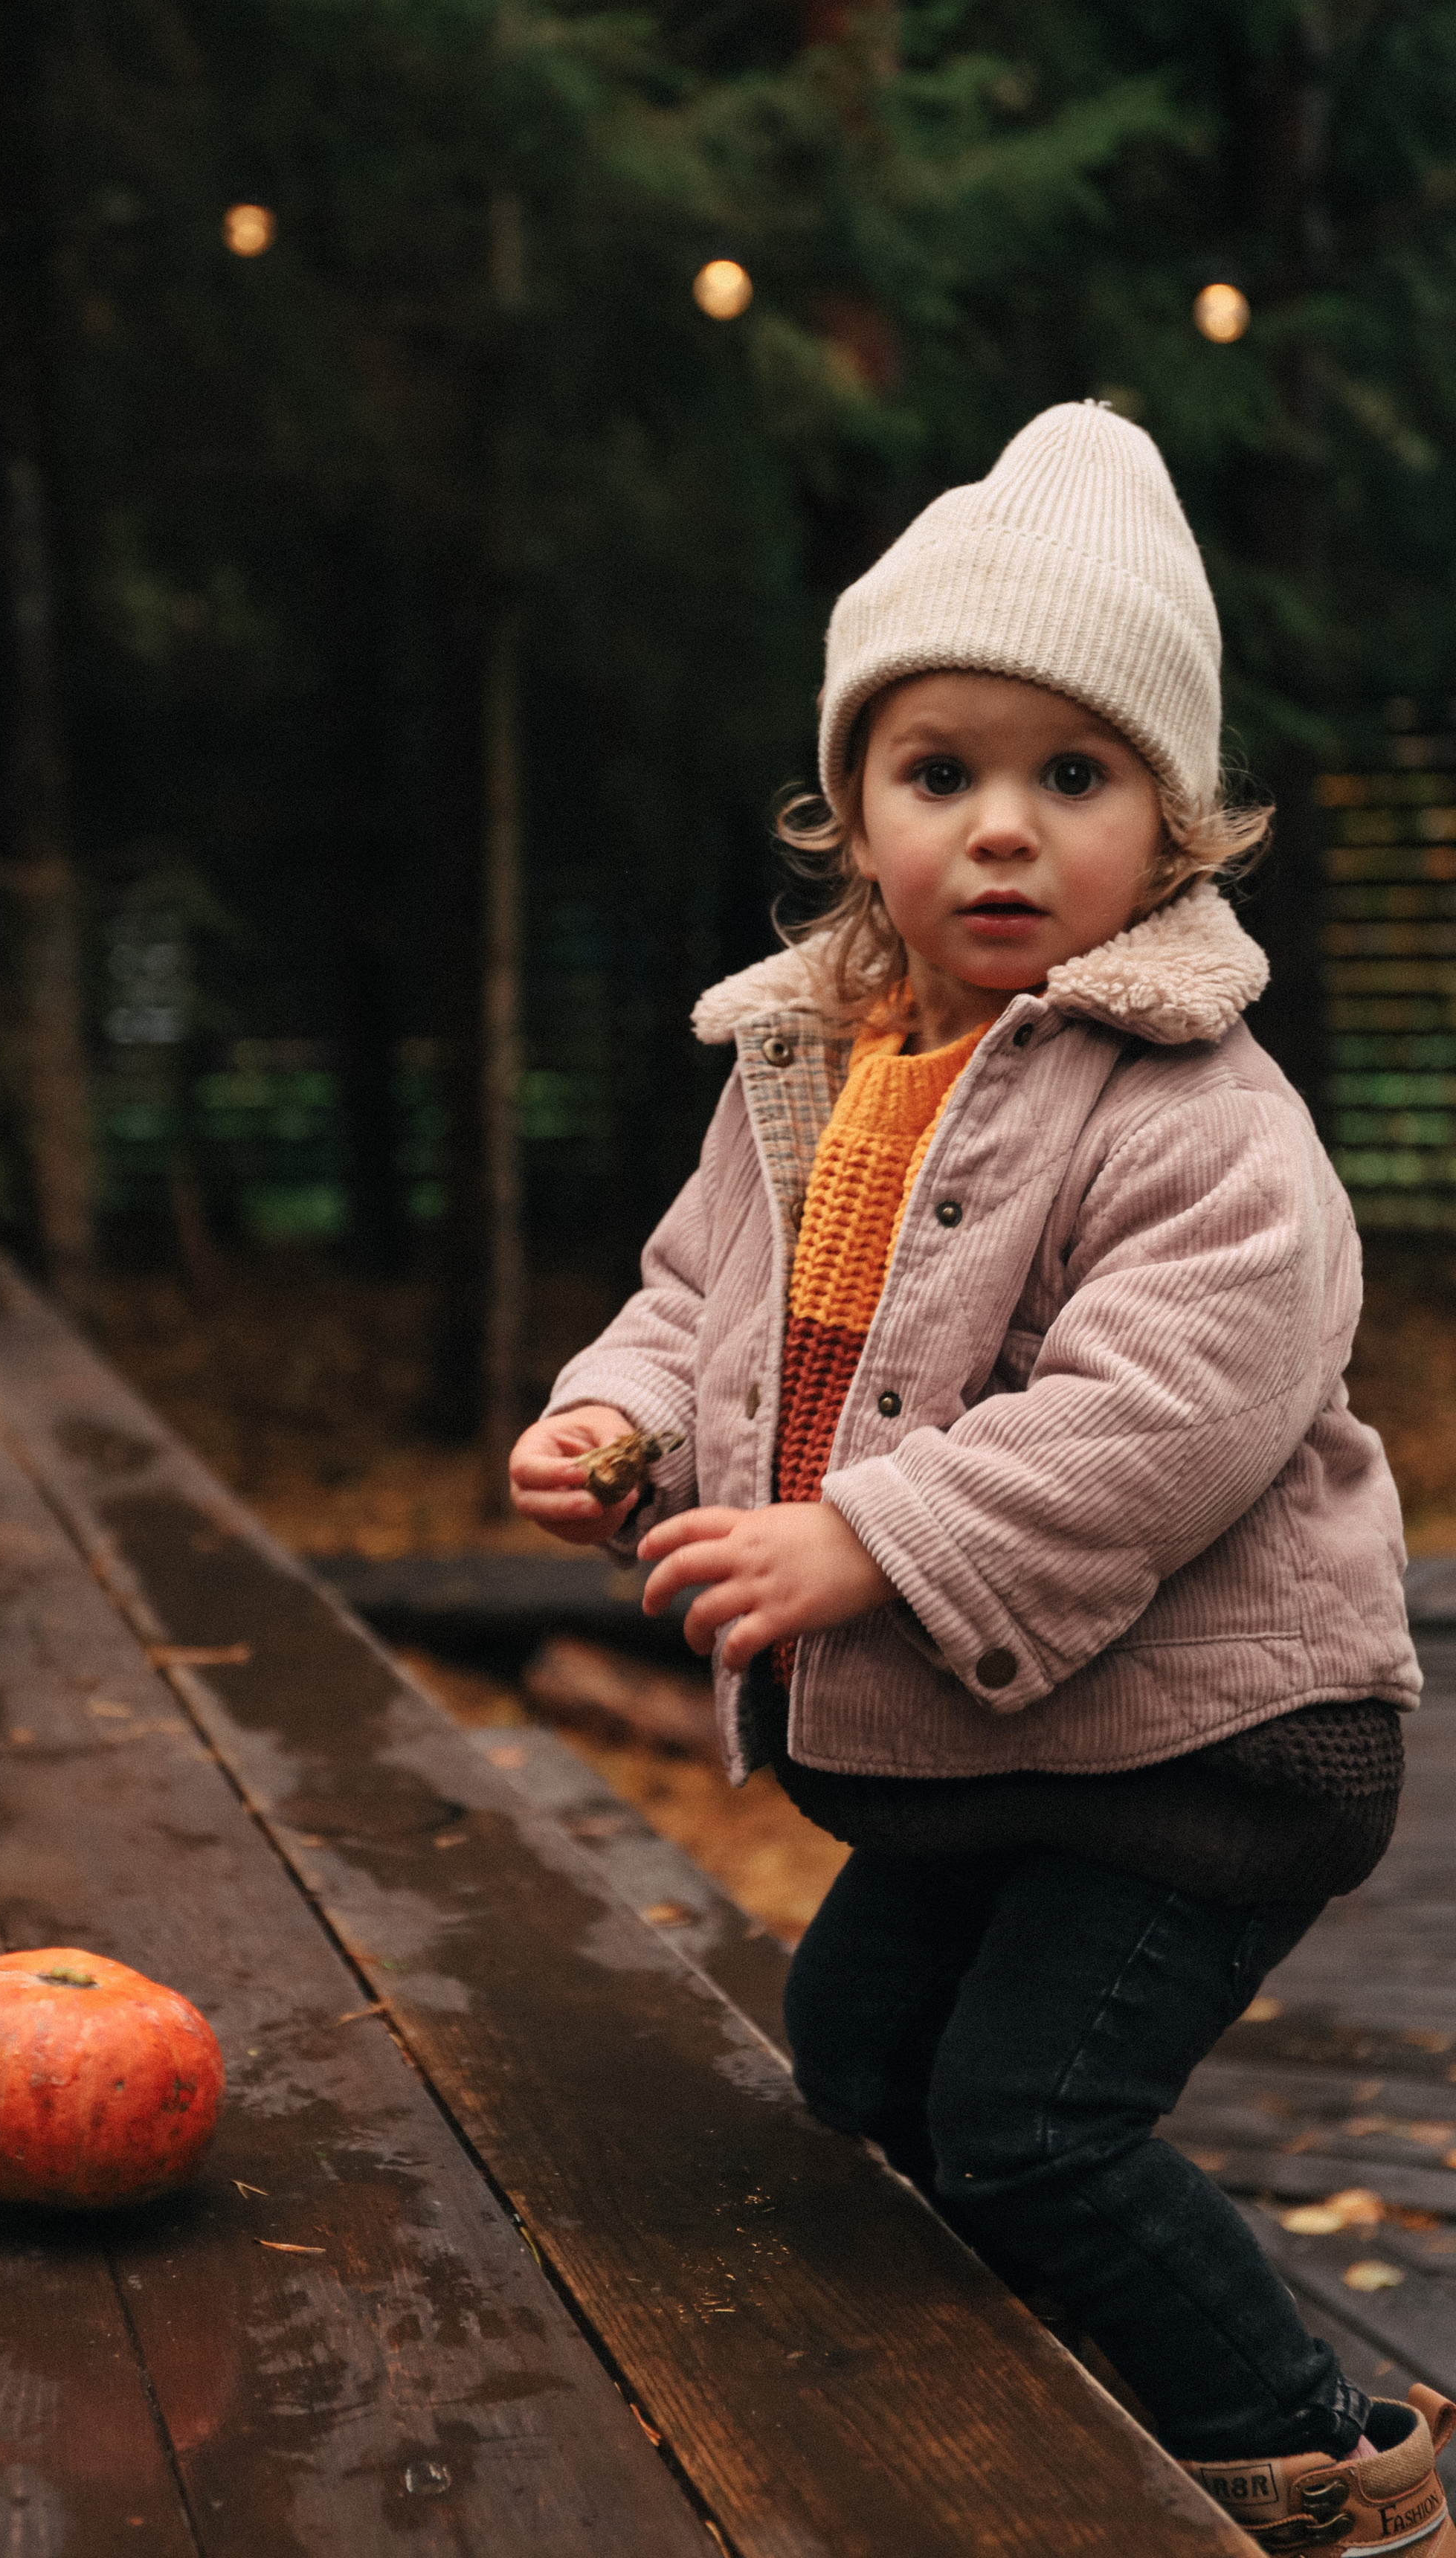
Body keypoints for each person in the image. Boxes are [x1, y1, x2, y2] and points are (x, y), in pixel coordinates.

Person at [509, 402, 1455, 2548]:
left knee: (1030, 2121)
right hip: (988, 1731)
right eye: (943, 774)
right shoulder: (821, 1058)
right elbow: (698, 1295)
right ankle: (1038, 2368)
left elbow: (1165, 1415)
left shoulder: (1201, 1117)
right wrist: (624, 1413)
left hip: (1214, 1751)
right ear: (853, 809)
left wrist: (872, 1533)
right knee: (854, 2060)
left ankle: (1324, 2453)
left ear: (1181, 831)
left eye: (1077, 777)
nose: (1004, 833)